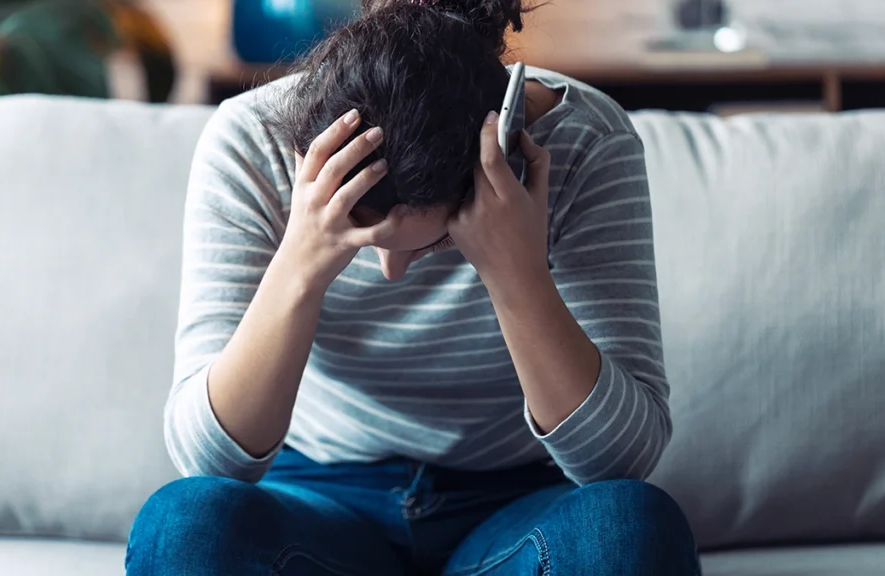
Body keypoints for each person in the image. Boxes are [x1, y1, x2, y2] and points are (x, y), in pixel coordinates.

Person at [126, 0, 700, 574]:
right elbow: (210, 461)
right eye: (364, 238)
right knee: (183, 525)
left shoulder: (586, 141)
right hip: (317, 494)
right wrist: (302, 262)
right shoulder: (251, 140)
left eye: (432, 245)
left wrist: (515, 270)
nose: (389, 271)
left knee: (629, 525)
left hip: (519, 501)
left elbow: (623, 459)